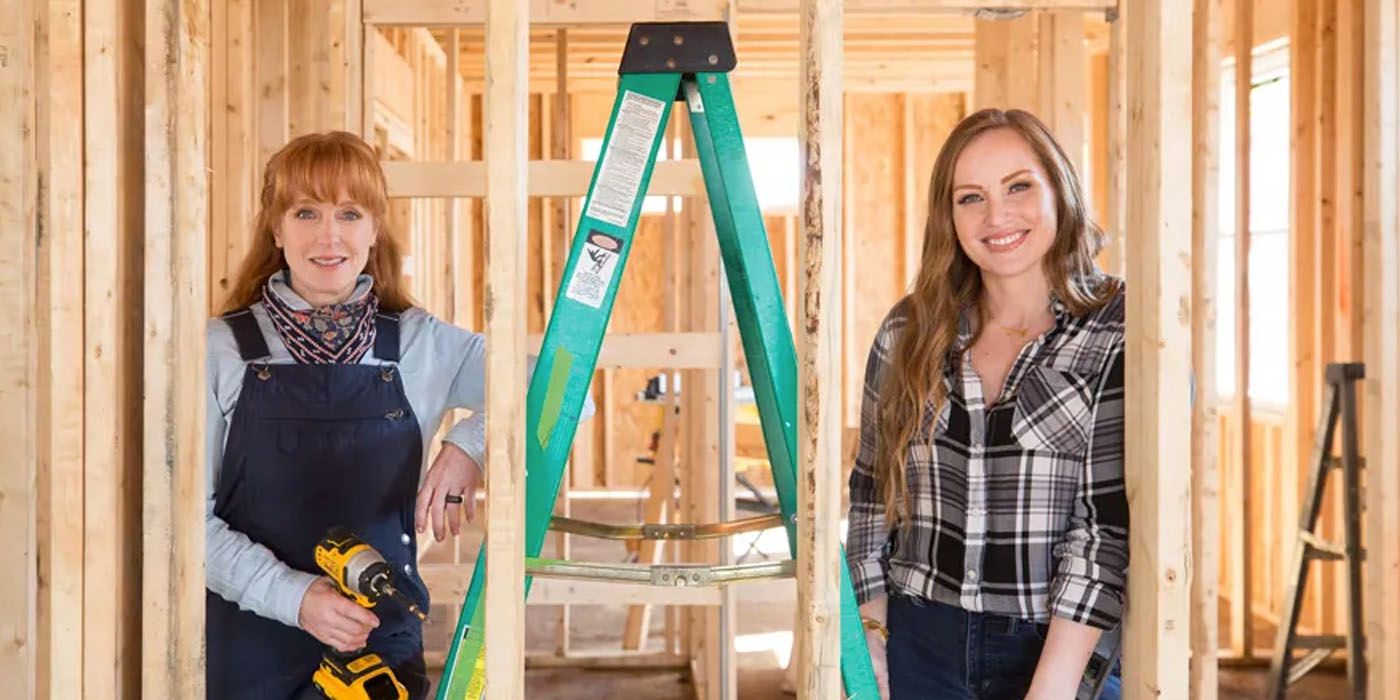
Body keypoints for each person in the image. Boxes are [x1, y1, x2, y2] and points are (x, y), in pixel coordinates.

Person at [206, 131, 505, 699]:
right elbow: (183, 523)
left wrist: (472, 442)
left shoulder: (423, 344)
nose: (329, 235)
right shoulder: (219, 350)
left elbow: (567, 393)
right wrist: (293, 597)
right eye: (305, 212)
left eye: (349, 212)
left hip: (378, 649)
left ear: (374, 230)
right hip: (250, 650)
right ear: (276, 229)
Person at [845, 108, 1128, 700]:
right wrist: (869, 636)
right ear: (949, 217)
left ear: (1060, 190)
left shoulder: (1117, 328)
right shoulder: (909, 329)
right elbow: (873, 492)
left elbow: (1105, 529)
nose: (996, 216)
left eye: (1019, 186)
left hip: (1056, 650)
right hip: (918, 638)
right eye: (970, 197)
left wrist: (1050, 689)